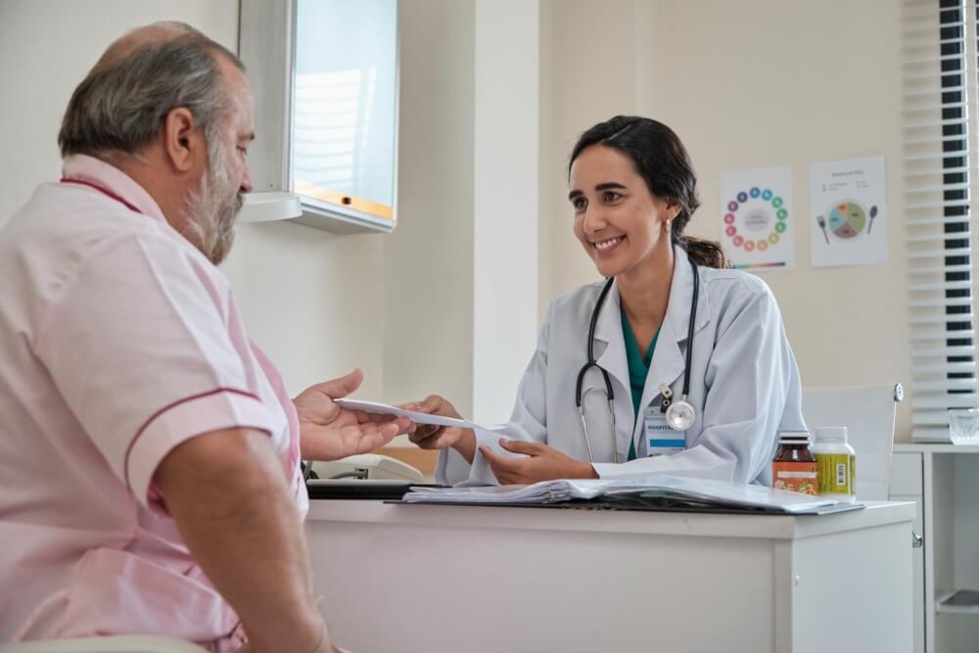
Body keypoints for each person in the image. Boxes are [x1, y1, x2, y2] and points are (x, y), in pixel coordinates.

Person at [0, 22, 410, 653]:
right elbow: (222, 476)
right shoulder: (122, 248)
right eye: (242, 146)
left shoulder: (53, 235)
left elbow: (92, 451)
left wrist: (284, 427)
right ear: (183, 137)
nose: (246, 179)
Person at [409, 115, 806, 487]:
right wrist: (461, 435)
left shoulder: (740, 305)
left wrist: (587, 476)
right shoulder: (568, 316)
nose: (590, 222)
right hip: (597, 542)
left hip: (720, 543)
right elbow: (524, 447)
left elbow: (731, 462)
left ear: (669, 202)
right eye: (580, 203)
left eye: (611, 197)